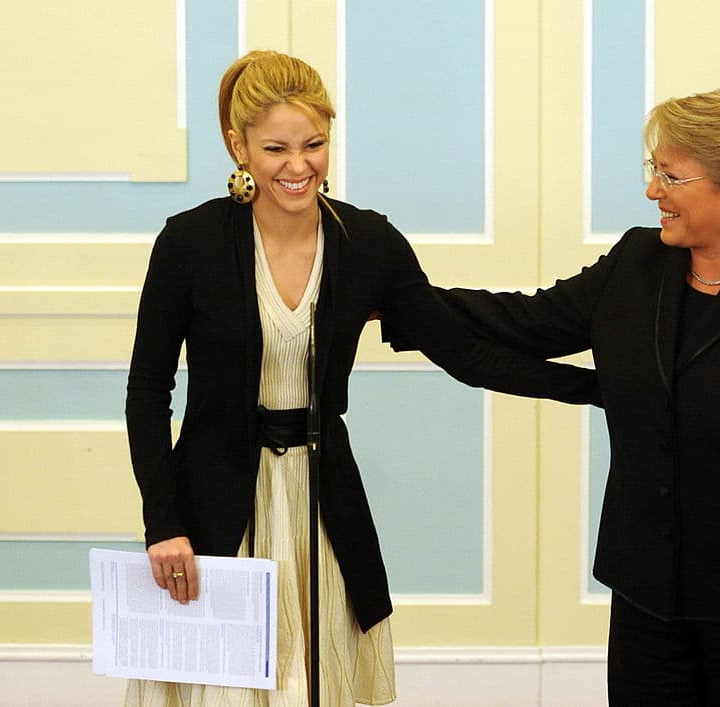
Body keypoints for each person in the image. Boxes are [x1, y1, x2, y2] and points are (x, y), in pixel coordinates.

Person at [386, 86, 720, 705]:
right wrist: (396, 298)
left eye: (672, 176)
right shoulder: (636, 264)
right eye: (655, 170)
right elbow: (527, 324)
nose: (654, 191)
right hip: (648, 604)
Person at [124, 50, 599, 707]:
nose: (299, 167)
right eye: (276, 148)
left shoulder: (368, 242)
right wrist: (162, 522)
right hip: (213, 504)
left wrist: (602, 388)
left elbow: (463, 352)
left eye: (314, 144)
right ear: (238, 146)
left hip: (323, 507)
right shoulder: (189, 242)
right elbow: (147, 390)